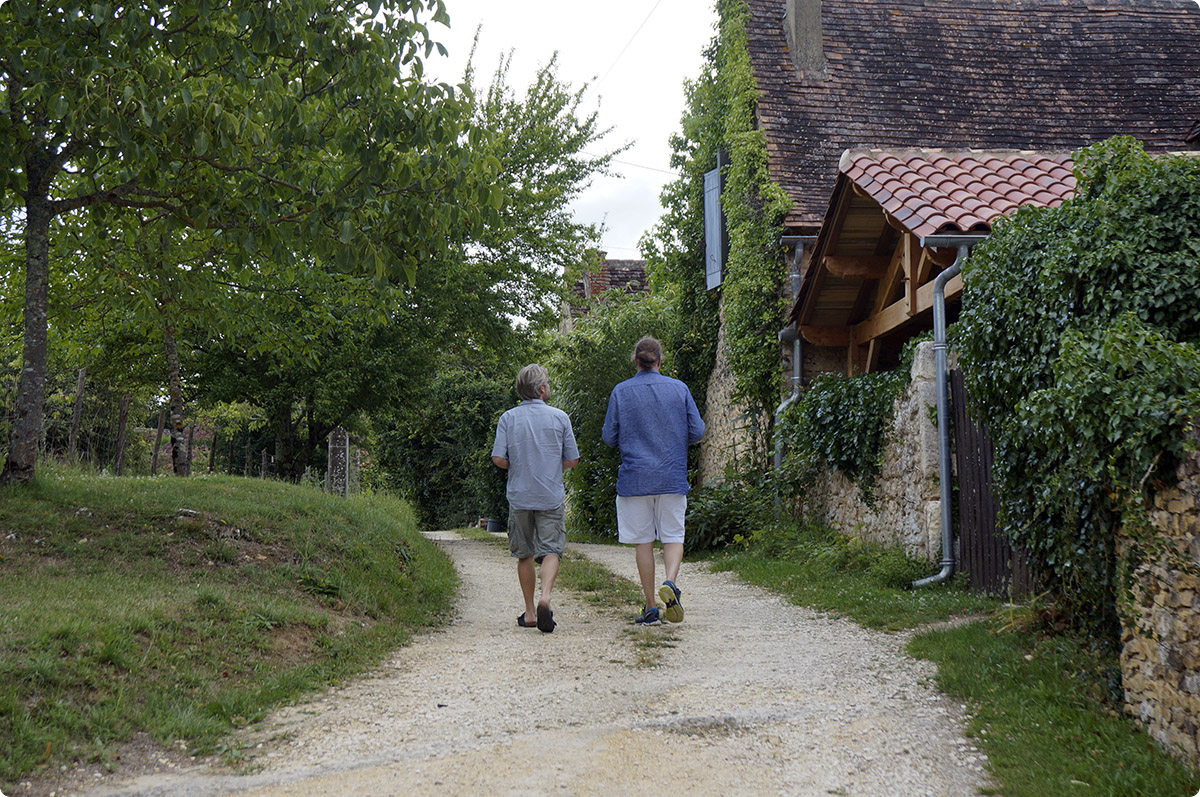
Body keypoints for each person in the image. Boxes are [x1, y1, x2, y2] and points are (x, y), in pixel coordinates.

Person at [601, 337, 705, 625]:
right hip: (671, 475)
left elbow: (609, 437)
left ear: (635, 361)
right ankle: (670, 582)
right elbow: (697, 431)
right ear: (660, 361)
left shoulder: (621, 392)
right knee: (673, 536)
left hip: (635, 480)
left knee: (643, 543)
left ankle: (650, 607)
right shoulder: (679, 389)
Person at [491, 364, 580, 633]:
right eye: (548, 384)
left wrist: (517, 465)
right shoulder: (560, 417)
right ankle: (546, 598)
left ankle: (530, 612)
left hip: (519, 496)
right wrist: (552, 467)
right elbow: (572, 459)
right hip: (549, 495)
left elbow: (498, 458)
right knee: (551, 549)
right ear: (541, 389)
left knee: (524, 554)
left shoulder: (508, 418)